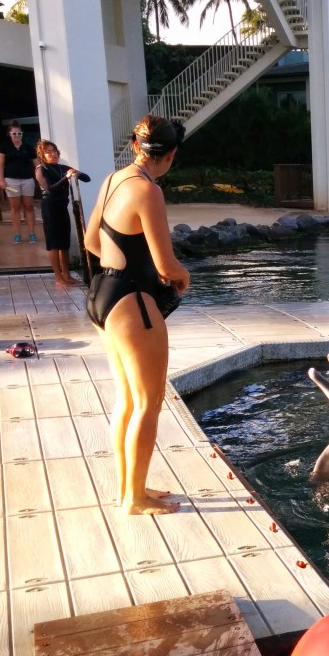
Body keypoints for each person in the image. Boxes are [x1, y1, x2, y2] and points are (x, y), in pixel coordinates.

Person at [83, 115, 190, 515]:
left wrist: (121, 263)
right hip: (133, 302)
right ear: (171, 155)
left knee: (126, 401)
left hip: (102, 295)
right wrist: (183, 277)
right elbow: (166, 266)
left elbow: (93, 240)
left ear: (135, 146)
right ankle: (135, 498)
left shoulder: (113, 181)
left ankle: (128, 488)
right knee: (148, 402)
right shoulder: (149, 191)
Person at [35, 139, 89, 287]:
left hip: (62, 207)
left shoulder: (62, 167)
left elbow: (87, 178)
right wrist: (65, 178)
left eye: (54, 151)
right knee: (54, 243)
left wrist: (76, 173)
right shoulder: (41, 169)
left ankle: (67, 274)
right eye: (49, 152)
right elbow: (50, 189)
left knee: (64, 242)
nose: (53, 154)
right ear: (42, 155)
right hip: (50, 207)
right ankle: (58, 277)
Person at [0, 121, 39, 244]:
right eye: (14, 133)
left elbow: (37, 164)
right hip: (11, 180)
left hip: (27, 179)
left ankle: (31, 233)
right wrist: (2, 180)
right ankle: (17, 234)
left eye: (19, 133)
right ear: (9, 134)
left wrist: (40, 177)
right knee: (15, 207)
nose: (17, 136)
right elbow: (1, 165)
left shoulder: (28, 147)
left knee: (29, 206)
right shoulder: (4, 147)